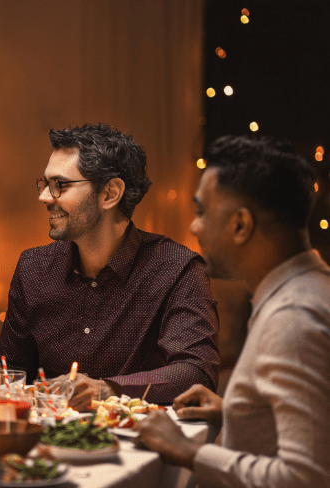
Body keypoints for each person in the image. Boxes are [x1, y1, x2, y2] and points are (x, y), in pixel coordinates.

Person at [0, 123, 220, 409]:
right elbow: (12, 368)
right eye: (45, 183)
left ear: (110, 193)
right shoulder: (34, 268)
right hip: (51, 441)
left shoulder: (176, 268)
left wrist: (106, 389)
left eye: (60, 185)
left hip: (142, 443)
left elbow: (196, 374)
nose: (44, 197)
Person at [134, 135, 330, 487]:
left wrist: (187, 451)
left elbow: (306, 478)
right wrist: (237, 413)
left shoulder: (293, 318)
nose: (194, 227)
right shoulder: (313, 287)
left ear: (241, 225)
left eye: (201, 212)